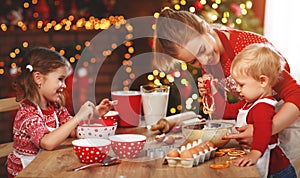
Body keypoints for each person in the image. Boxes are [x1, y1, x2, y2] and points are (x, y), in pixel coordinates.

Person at [153, 8, 300, 176]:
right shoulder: (208, 58)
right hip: (258, 120)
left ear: (205, 27)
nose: (204, 61)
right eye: (193, 60)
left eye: (201, 50)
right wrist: (211, 94)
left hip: (286, 118)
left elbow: (296, 95)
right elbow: (225, 112)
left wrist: (264, 130)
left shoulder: (247, 48)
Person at [6, 47, 113, 177]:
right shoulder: (27, 113)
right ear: (38, 78)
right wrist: (78, 117)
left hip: (47, 165)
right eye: (60, 79)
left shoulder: (55, 107)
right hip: (27, 172)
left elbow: (73, 131)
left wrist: (94, 114)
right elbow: (47, 143)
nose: (64, 85)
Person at [211, 43, 296, 177]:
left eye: (241, 84)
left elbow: (263, 129)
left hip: (277, 172)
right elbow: (225, 112)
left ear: (262, 81)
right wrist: (213, 92)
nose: (237, 89)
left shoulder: (263, 107)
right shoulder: (248, 104)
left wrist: (254, 153)